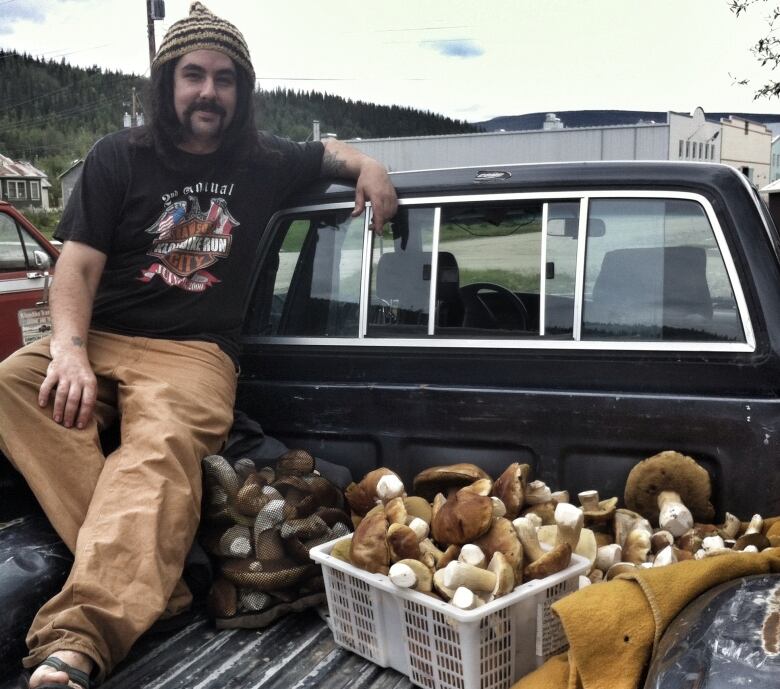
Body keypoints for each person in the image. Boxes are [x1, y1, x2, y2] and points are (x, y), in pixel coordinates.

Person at [0, 3, 397, 688]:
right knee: (14, 382)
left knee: (152, 456)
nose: (208, 91)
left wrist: (370, 166)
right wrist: (66, 348)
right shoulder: (117, 157)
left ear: (241, 91)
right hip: (100, 335)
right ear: (166, 83)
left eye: (224, 78)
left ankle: (78, 639)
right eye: (193, 75)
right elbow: (78, 265)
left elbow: (331, 153)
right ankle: (168, 569)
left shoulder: (265, 158)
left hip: (193, 353)